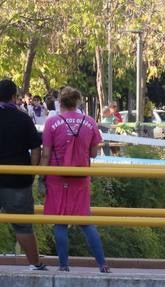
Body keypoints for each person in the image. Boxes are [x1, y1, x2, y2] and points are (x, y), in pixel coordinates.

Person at [41, 86, 110, 273]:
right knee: (86, 221)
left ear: (60, 102)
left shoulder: (52, 122)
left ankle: (63, 266)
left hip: (57, 176)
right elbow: (94, 153)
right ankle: (102, 264)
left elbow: (46, 154)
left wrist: (42, 176)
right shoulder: (89, 122)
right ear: (78, 101)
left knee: (60, 222)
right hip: (81, 177)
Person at [0, 78, 48, 271]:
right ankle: (35, 264)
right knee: (22, 226)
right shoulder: (23, 118)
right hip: (18, 179)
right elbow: (36, 149)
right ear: (14, 97)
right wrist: (32, 173)